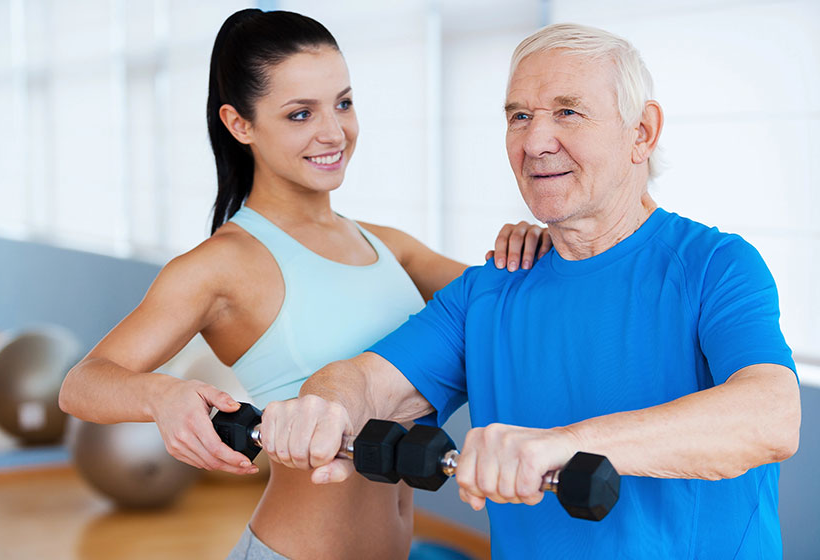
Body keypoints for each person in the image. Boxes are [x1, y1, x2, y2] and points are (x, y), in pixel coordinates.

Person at [258, 23, 802, 559]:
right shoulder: (489, 288)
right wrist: (324, 404)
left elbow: (770, 415)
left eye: (568, 111)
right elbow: (368, 382)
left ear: (641, 132)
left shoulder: (715, 265)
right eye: (520, 116)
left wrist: (564, 444)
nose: (536, 142)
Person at [58, 9, 547, 560]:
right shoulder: (220, 266)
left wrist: (526, 242)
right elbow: (82, 384)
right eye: (299, 114)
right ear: (239, 124)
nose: (333, 132)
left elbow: (513, 306)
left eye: (343, 102)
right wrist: (163, 395)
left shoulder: (391, 246)